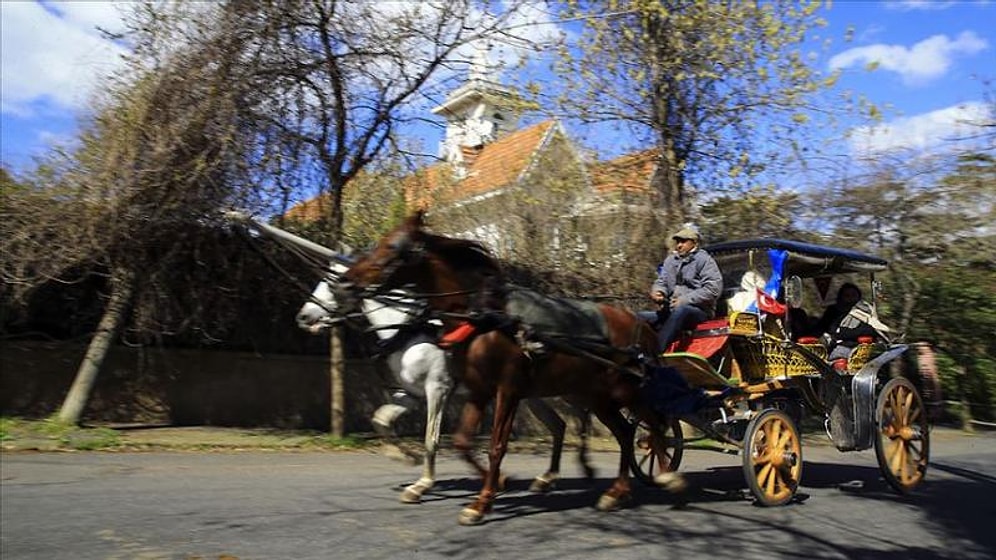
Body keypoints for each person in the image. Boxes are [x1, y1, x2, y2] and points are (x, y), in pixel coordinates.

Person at [642, 227, 723, 354]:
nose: (679, 245)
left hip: (699, 312)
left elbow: (713, 289)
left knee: (682, 311)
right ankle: (634, 354)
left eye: (683, 241)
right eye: (678, 242)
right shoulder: (670, 261)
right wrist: (658, 291)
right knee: (639, 317)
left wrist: (685, 300)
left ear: (694, 243)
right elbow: (662, 281)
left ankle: (654, 353)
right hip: (672, 310)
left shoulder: (705, 261)